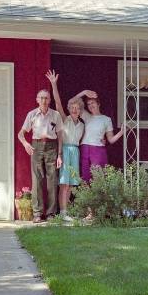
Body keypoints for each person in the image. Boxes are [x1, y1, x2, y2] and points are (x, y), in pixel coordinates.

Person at [17, 88, 63, 223]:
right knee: (36, 180)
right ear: (37, 100)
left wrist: (59, 154)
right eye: (41, 98)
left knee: (52, 179)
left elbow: (60, 136)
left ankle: (51, 213)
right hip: (36, 146)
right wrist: (26, 144)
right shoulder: (32, 114)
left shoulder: (55, 115)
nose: (44, 100)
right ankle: (37, 213)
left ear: (49, 100)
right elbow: (21, 134)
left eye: (46, 98)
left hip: (51, 146)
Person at [46, 69, 84, 218]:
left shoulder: (82, 125)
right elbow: (58, 102)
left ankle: (66, 212)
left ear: (80, 110)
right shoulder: (64, 118)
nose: (75, 110)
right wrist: (54, 84)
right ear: (69, 109)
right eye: (72, 108)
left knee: (72, 184)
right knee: (64, 184)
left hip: (75, 152)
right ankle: (62, 212)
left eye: (77, 108)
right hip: (65, 151)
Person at [68, 88, 125, 180]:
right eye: (88, 104)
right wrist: (84, 92)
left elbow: (111, 139)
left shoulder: (106, 119)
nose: (90, 105)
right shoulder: (86, 115)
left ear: (98, 104)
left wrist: (121, 132)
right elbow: (71, 102)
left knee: (98, 177)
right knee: (85, 177)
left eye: (93, 103)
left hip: (98, 149)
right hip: (85, 148)